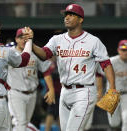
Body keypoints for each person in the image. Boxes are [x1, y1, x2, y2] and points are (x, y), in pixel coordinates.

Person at [31, 3, 117, 131]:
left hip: (84, 91)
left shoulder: (93, 41)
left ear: (81, 19)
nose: (67, 17)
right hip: (64, 91)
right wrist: (30, 43)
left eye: (71, 15)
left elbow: (106, 64)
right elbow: (44, 54)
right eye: (66, 15)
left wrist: (113, 88)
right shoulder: (57, 39)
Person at [7, 28, 55, 131]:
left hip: (32, 94)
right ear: (16, 39)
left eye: (26, 37)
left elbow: (46, 71)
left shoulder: (35, 53)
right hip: (16, 93)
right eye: (21, 37)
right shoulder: (9, 53)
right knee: (21, 122)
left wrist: (51, 89)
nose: (23, 39)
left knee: (25, 123)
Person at [105, 40, 127, 131]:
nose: (125, 52)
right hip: (111, 94)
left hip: (126, 94)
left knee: (126, 119)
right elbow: (97, 74)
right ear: (118, 50)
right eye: (123, 50)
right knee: (114, 123)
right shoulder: (111, 61)